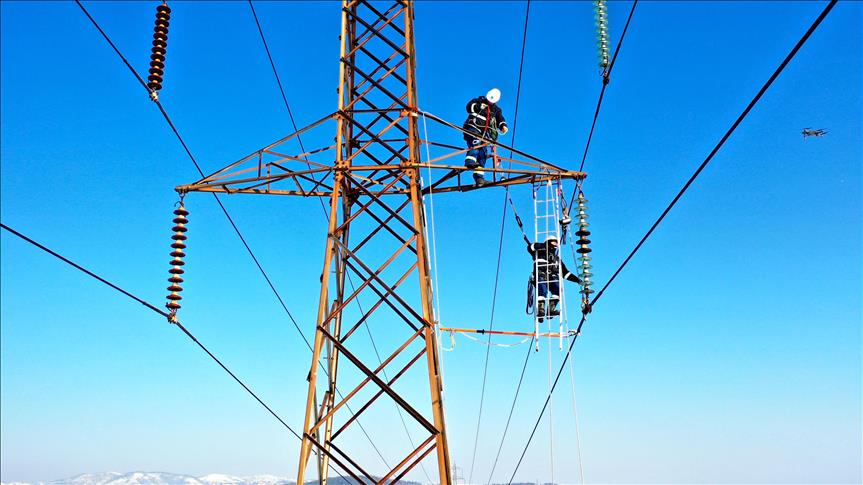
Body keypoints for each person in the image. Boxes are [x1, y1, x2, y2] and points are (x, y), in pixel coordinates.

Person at [525, 234, 582, 321]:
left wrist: (577, 280)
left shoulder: (557, 259)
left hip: (551, 277)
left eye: (556, 243)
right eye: (553, 242)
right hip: (540, 275)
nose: (555, 245)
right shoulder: (538, 252)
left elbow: (565, 273)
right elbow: (530, 247)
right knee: (542, 289)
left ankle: (551, 310)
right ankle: (541, 309)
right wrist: (544, 246)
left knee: (557, 289)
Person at [463, 88, 509, 186]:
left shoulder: (496, 110)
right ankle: (469, 161)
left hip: (484, 134)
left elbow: (500, 119)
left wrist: (503, 126)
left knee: (483, 153)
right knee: (476, 144)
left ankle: (479, 178)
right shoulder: (478, 101)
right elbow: (468, 107)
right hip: (473, 128)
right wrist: (479, 106)